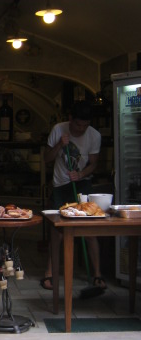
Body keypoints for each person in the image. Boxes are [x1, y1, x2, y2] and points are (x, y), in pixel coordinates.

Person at [40, 99, 106, 291]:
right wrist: (60, 145)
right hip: (61, 185)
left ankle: (97, 274)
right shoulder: (58, 130)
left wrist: (81, 174)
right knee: (58, 231)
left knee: (88, 230)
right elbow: (46, 158)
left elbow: (94, 163)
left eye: (85, 125)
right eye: (78, 125)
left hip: (82, 184)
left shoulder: (94, 135)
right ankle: (49, 273)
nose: (81, 129)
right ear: (70, 119)